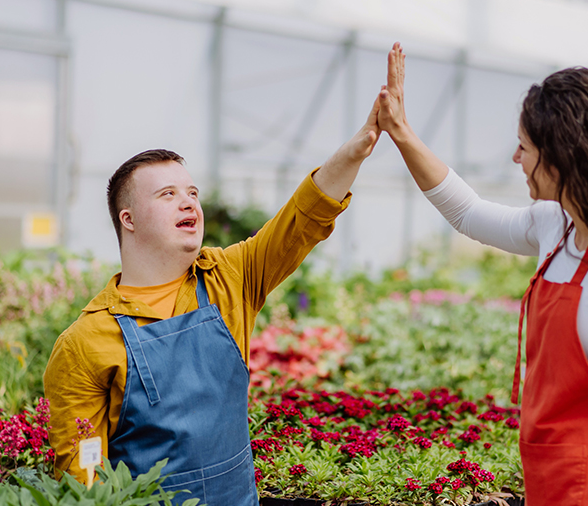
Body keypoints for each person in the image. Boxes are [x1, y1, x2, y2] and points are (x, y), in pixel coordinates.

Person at [375, 42, 588, 506]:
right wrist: (401, 132)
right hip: (551, 489)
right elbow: (468, 212)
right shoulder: (555, 226)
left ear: (563, 156)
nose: (515, 158)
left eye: (524, 146)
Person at [42, 98, 382, 505]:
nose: (189, 203)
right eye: (167, 194)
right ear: (127, 219)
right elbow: (83, 473)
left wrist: (357, 149)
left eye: (192, 192)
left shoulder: (229, 279)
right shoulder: (86, 342)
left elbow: (302, 221)